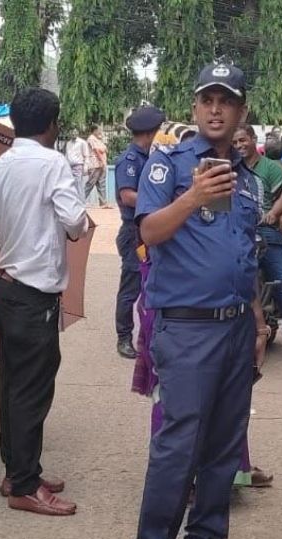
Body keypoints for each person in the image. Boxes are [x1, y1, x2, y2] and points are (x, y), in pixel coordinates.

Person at [129, 62, 267, 539]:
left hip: (234, 329)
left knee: (224, 445)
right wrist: (194, 196)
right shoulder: (168, 163)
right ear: (195, 108)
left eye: (225, 100)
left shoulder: (249, 181)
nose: (215, 109)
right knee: (178, 445)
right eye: (207, 99)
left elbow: (244, 254)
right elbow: (148, 233)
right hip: (186, 328)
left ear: (240, 111)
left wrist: (257, 319)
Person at [0, 87, 88, 517]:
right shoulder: (53, 164)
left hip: (5, 286)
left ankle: (18, 470)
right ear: (52, 124)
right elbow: (76, 222)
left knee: (11, 383)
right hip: (35, 294)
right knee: (32, 389)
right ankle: (24, 486)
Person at [233, 124, 282, 360]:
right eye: (236, 143)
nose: (240, 146)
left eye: (243, 140)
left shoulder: (270, 168)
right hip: (238, 232)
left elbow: (281, 197)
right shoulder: (231, 168)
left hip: (266, 231)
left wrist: (272, 215)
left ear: (253, 140)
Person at [114, 105, 166, 360]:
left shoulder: (151, 158)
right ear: (148, 133)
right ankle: (124, 336)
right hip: (133, 232)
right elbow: (127, 195)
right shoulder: (130, 160)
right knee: (131, 286)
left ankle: (150, 335)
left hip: (149, 230)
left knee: (151, 284)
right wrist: (159, 201)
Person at [86, 124, 109, 208]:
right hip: (95, 164)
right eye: (99, 130)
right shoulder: (91, 139)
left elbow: (105, 149)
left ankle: (103, 203)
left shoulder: (98, 139)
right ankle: (80, 201)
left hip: (101, 164)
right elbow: (97, 151)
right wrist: (102, 161)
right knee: (90, 183)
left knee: (101, 183)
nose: (100, 131)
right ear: (94, 130)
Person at [66, 129, 91, 196]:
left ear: (77, 133)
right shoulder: (68, 143)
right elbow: (67, 155)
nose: (73, 134)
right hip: (69, 166)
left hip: (78, 166)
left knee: (78, 185)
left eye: (75, 132)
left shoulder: (82, 142)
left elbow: (86, 155)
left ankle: (80, 202)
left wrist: (86, 166)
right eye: (72, 132)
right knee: (70, 185)